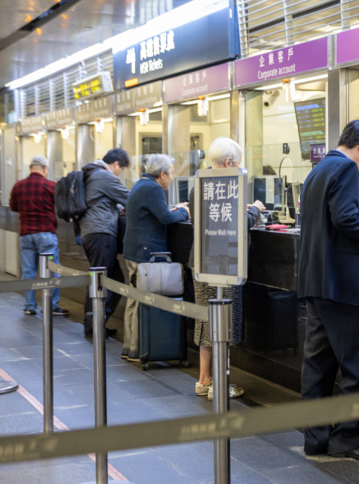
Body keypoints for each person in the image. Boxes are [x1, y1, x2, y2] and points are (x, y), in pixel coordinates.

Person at [298, 119, 359, 460]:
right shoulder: (346, 170)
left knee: (318, 365)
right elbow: (347, 220)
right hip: (345, 285)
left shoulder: (318, 169)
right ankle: (347, 438)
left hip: (317, 282)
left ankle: (316, 437)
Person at [187, 138, 265, 400]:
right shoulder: (228, 185)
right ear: (230, 163)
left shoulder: (200, 183)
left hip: (200, 260)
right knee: (224, 324)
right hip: (225, 263)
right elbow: (238, 225)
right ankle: (219, 385)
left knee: (206, 321)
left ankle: (204, 380)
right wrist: (254, 209)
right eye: (239, 162)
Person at [122, 154, 190, 360]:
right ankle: (136, 348)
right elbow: (166, 217)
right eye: (171, 173)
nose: (171, 178)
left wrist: (175, 209)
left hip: (134, 249)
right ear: (162, 174)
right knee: (140, 300)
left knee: (134, 299)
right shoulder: (153, 188)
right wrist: (184, 211)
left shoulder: (141, 184)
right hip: (145, 252)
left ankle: (130, 347)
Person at [9, 156, 68, 317]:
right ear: (45, 168)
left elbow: (13, 207)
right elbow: (61, 207)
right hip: (46, 233)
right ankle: (52, 305)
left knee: (28, 271)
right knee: (52, 270)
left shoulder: (18, 186)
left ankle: (29, 306)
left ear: (30, 168)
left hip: (25, 234)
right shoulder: (50, 186)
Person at [81, 148, 130, 338]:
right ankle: (93, 325)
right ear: (116, 164)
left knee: (110, 278)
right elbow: (131, 198)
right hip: (101, 233)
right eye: (121, 169)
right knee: (102, 279)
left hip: (91, 232)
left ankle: (96, 323)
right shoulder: (105, 176)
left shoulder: (92, 174)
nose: (119, 174)